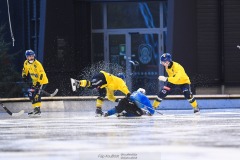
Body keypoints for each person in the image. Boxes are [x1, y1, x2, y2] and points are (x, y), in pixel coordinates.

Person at [22, 49, 48, 116]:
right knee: (30, 94)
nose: (31, 57)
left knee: (37, 94)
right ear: (26, 57)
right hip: (34, 82)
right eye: (29, 56)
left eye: (32, 56)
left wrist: (39, 83)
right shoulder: (26, 63)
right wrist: (24, 76)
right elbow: (24, 70)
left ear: (34, 56)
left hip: (42, 81)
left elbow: (41, 74)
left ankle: (37, 110)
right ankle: (35, 109)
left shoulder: (37, 64)